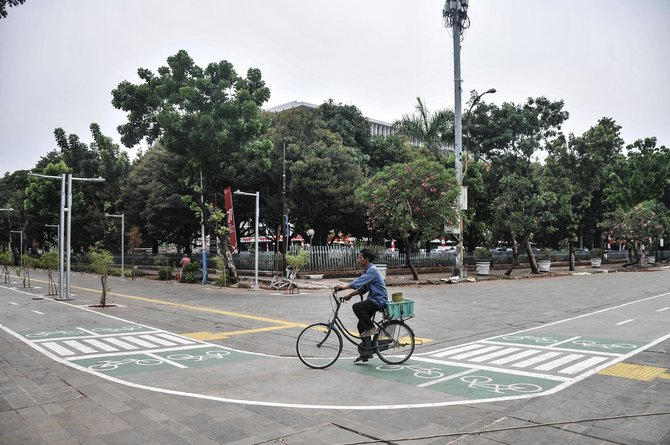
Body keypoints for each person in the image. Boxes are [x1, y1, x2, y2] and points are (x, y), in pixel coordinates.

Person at [334, 248, 389, 362]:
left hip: (379, 300)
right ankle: (367, 352)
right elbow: (363, 288)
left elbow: (357, 283)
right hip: (374, 299)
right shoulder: (368, 271)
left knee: (357, 307)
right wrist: (350, 295)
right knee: (361, 325)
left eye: (360, 257)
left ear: (366, 259)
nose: (358, 260)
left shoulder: (372, 270)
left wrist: (343, 287)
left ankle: (373, 329)